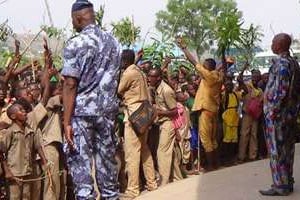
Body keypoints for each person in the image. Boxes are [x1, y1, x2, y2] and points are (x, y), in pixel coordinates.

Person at [61, 1, 121, 199]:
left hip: (82, 115)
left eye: (73, 20)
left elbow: (70, 84)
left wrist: (66, 122)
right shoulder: (114, 42)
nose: (73, 24)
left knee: (83, 181)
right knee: (109, 179)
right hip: (107, 114)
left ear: (78, 18)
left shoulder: (75, 43)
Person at [260, 33, 300, 196]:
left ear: (280, 45)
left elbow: (280, 91)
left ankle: (280, 185)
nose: (271, 44)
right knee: (288, 149)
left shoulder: (282, 64)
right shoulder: (293, 63)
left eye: (273, 41)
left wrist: (272, 111)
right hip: (290, 114)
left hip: (278, 116)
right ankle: (287, 181)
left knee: (277, 150)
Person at [176, 37, 224, 171]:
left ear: (208, 67)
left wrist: (184, 48)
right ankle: (216, 164)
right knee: (213, 140)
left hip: (206, 111)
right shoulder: (218, 76)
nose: (202, 67)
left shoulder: (208, 76)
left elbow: (193, 62)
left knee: (205, 140)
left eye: (204, 65)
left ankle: (211, 166)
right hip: (214, 111)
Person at [117, 50, 157, 199]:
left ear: (124, 60)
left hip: (134, 115)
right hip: (144, 114)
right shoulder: (139, 71)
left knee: (132, 153)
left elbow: (119, 90)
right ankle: (151, 183)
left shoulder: (128, 73)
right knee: (144, 149)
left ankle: (133, 189)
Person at [147, 68, 180, 185]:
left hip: (168, 123)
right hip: (162, 123)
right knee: (170, 152)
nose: (149, 78)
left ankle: (164, 182)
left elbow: (175, 111)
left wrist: (160, 112)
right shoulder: (156, 89)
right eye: (149, 75)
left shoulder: (166, 90)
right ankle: (178, 178)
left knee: (162, 153)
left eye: (152, 76)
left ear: (158, 78)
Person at [237, 69, 263, 163]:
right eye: (254, 76)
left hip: (255, 116)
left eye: (257, 76)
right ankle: (241, 156)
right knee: (244, 134)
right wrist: (243, 68)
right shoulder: (248, 87)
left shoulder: (260, 91)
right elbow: (239, 79)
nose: (255, 78)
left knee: (254, 135)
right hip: (247, 114)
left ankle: (253, 155)